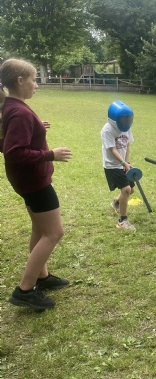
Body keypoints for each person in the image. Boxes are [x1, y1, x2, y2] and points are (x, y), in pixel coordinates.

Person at [0, 58, 72, 311]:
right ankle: (25, 289)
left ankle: (42, 276)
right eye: (34, 79)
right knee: (54, 233)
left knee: (40, 230)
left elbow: (7, 141)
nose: (37, 85)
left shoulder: (12, 106)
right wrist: (50, 154)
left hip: (26, 180)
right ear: (20, 81)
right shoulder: (19, 112)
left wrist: (36, 128)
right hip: (34, 182)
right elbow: (14, 152)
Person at [100, 100, 136, 231]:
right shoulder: (107, 130)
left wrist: (127, 162)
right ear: (114, 118)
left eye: (128, 119)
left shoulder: (127, 127)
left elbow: (128, 145)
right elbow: (112, 149)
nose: (125, 122)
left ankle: (116, 203)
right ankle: (122, 221)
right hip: (112, 165)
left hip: (123, 164)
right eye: (123, 119)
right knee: (126, 189)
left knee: (131, 190)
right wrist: (122, 163)